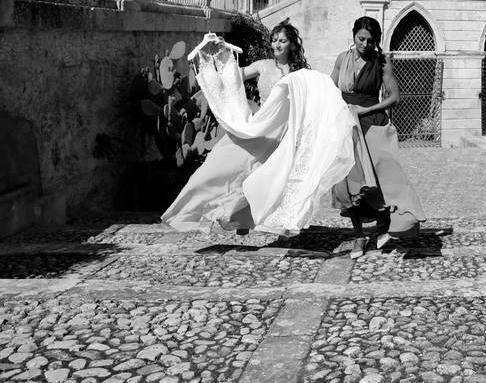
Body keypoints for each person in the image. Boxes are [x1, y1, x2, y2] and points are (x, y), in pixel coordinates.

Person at [162, 22, 358, 236]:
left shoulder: (301, 73)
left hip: (284, 136)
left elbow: (312, 101)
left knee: (275, 183)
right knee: (223, 167)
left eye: (282, 41)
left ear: (292, 44)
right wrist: (217, 56)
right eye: (274, 40)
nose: (276, 44)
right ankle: (193, 211)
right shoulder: (262, 65)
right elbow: (232, 78)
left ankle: (271, 226)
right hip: (259, 130)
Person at [330, 16, 426, 259]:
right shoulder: (342, 59)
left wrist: (366, 110)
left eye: (370, 41)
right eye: (361, 38)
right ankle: (359, 236)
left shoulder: (382, 63)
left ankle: (387, 225)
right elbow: (330, 91)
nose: (365, 44)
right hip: (344, 125)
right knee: (345, 183)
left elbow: (394, 96)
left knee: (381, 179)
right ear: (353, 35)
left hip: (371, 123)